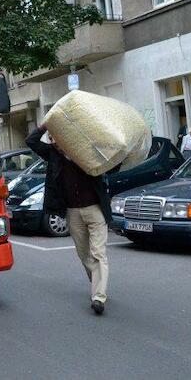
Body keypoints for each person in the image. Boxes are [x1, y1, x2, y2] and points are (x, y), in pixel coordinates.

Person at [26, 125, 111, 315]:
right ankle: (98, 283)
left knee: (98, 253)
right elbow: (31, 141)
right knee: (84, 255)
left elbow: (112, 162)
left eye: (58, 137)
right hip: (73, 212)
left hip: (95, 210)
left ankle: (99, 297)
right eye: (53, 138)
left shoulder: (87, 152)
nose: (55, 141)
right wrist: (45, 126)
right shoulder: (53, 155)